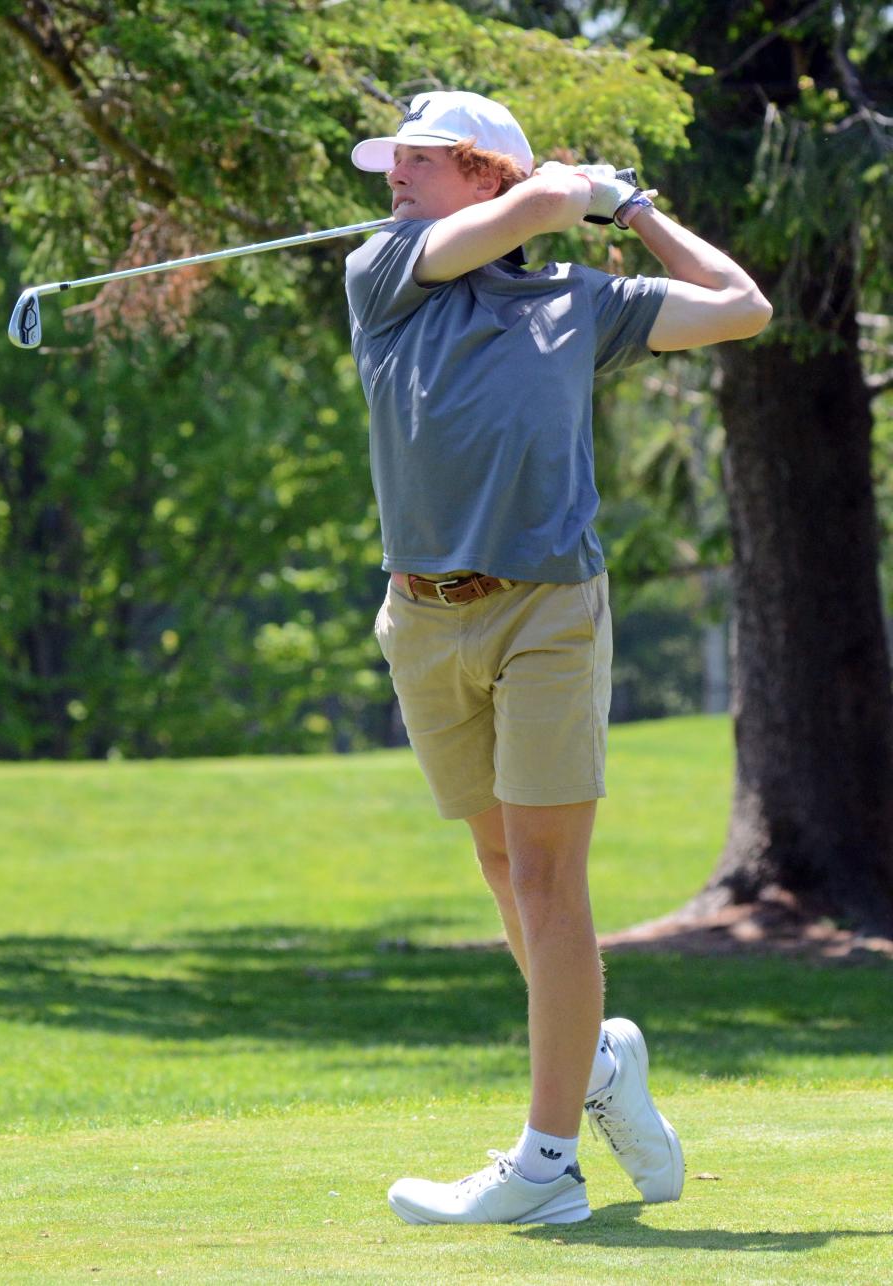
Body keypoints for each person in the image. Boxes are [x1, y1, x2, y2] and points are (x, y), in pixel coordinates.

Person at [344, 91, 772, 1226]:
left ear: (486, 173)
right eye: (397, 161)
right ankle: (597, 1070)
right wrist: (562, 192)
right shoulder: (382, 273)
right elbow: (516, 211)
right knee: (498, 865)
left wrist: (630, 208)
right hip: (424, 615)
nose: (396, 176)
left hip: (548, 609)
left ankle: (548, 1166)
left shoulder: (582, 300)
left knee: (544, 875)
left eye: (424, 161)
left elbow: (743, 305)